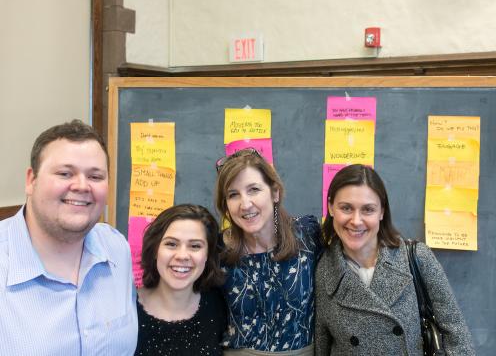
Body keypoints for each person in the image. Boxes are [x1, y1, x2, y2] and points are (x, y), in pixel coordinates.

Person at [0, 120, 137, 355]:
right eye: (65, 173)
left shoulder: (116, 248)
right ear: (31, 180)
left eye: (95, 177)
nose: (82, 186)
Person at [315, 164, 474, 355]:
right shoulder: (324, 270)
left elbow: (457, 335)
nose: (356, 221)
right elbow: (321, 347)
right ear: (331, 207)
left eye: (368, 210)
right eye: (346, 208)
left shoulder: (416, 258)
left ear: (382, 211)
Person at [214, 148, 321, 356]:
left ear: (275, 192)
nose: (245, 204)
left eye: (253, 189)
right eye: (233, 194)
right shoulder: (218, 251)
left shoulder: (308, 235)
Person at [134, 204, 227, 356]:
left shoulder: (220, 305)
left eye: (195, 246)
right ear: (155, 249)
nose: (182, 255)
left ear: (207, 255)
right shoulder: (126, 308)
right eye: (171, 244)